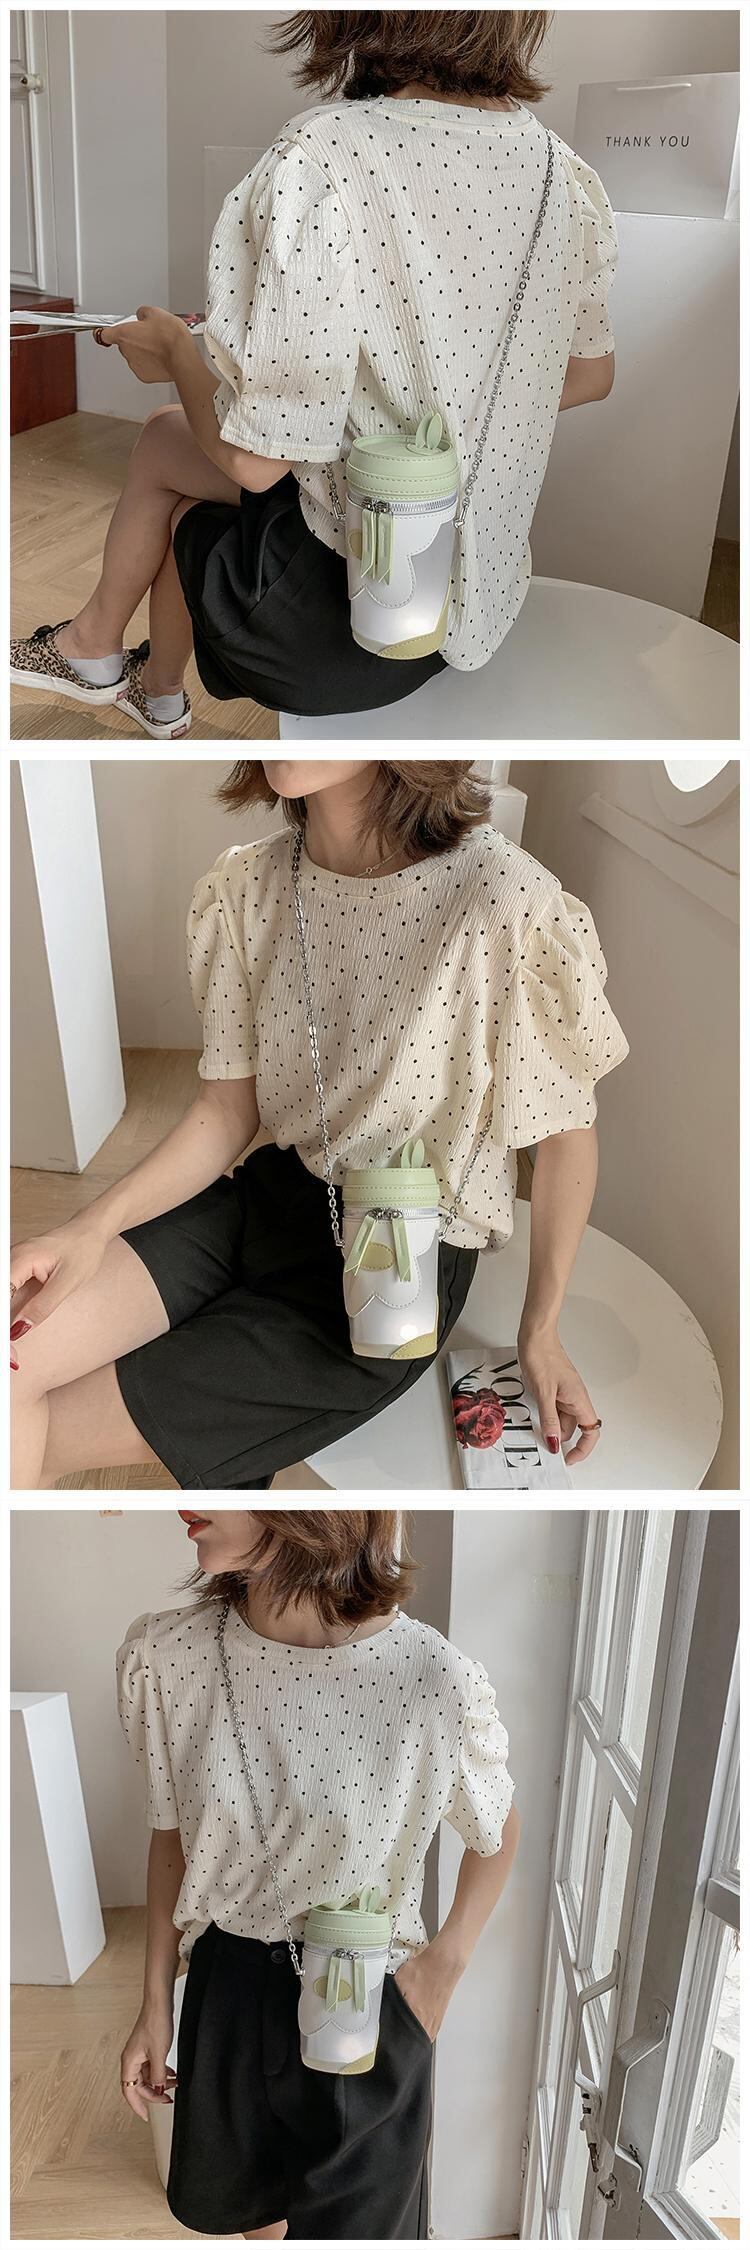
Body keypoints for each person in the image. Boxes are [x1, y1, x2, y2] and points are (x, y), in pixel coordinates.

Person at [9, 760, 628, 1490]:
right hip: (265, 1203)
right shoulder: (247, 886)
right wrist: (89, 1228)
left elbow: (565, 1135)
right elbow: (223, 1111)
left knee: (48, 1432)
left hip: (397, 1274)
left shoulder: (504, 898)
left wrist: (541, 1330)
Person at [10, 10, 616, 730]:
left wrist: (175, 350)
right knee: (188, 490)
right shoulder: (561, 172)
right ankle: (152, 689)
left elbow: (254, 465)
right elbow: (590, 375)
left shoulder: (324, 158)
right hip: (468, 604)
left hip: (345, 619)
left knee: (165, 446)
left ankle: (95, 649)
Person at [117, 1507, 520, 2240]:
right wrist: (154, 2004)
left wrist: (442, 1970)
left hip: (365, 1992)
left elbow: (496, 1827)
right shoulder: (167, 1657)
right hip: (230, 1987)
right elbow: (171, 1839)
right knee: (256, 2220)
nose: (189, 1501)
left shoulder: (430, 1678)